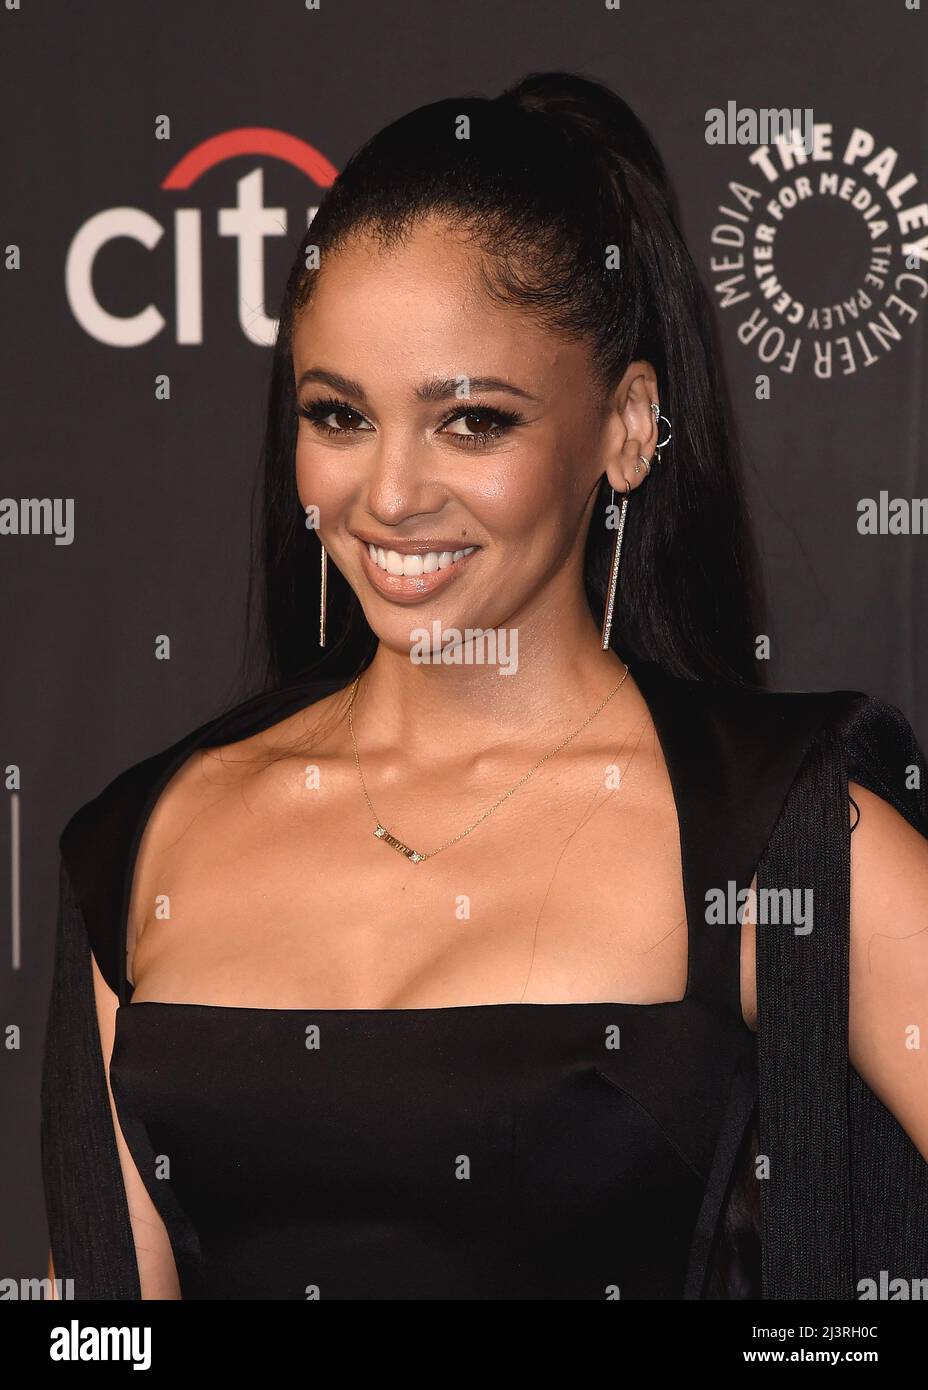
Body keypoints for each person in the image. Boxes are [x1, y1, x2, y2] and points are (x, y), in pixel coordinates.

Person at [41, 71, 928, 1301]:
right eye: (339, 414)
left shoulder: (789, 839)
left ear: (624, 429)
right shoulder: (141, 846)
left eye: (472, 422)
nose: (391, 494)